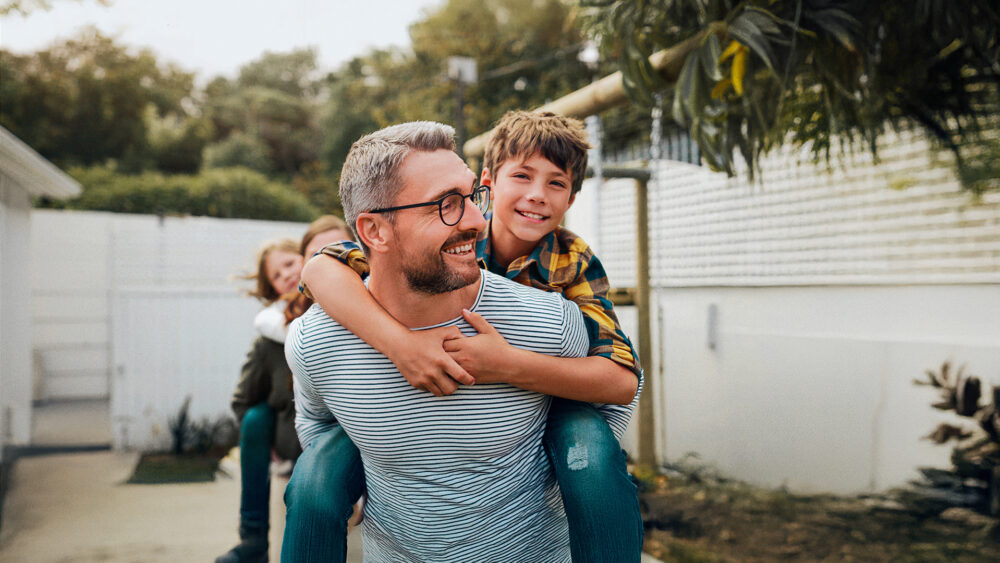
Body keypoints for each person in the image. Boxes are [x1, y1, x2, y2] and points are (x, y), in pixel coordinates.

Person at [285, 112, 644, 562]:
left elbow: (622, 380)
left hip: (543, 390)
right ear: (492, 183)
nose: (536, 196)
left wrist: (508, 368)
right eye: (448, 202)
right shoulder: (323, 333)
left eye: (557, 184)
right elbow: (322, 265)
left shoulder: (567, 277)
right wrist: (400, 344)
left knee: (589, 454)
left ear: (572, 197)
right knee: (316, 475)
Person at [217, 217, 353, 563]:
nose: (288, 276)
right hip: (290, 435)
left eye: (290, 264)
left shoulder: (347, 308)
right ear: (273, 289)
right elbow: (243, 400)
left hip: (344, 431)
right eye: (277, 276)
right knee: (256, 417)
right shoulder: (269, 338)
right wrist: (266, 446)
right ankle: (252, 538)